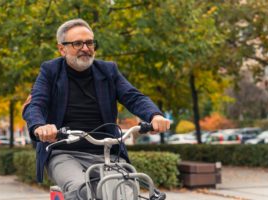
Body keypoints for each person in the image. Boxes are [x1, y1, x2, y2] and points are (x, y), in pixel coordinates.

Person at [22, 18, 170, 199]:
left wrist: (155, 115)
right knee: (80, 190)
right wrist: (40, 126)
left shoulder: (108, 70)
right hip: (64, 152)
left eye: (89, 42)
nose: (85, 48)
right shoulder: (50, 71)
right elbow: (35, 104)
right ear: (62, 48)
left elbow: (134, 97)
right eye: (77, 43)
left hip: (107, 152)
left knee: (126, 192)